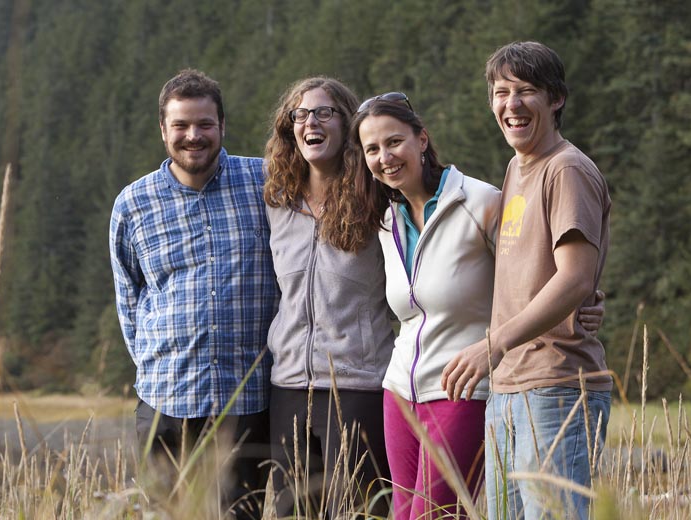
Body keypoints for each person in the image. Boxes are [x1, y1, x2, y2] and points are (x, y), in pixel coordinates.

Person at [348, 93, 605, 520]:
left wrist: (588, 297)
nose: (385, 157)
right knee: (403, 512)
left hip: (464, 387)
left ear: (422, 139)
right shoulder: (386, 218)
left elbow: (539, 265)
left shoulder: (480, 202)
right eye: (372, 149)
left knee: (437, 514)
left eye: (394, 142)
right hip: (399, 391)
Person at [442, 41, 612, 520]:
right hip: (511, 386)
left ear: (555, 99)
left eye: (526, 91)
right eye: (501, 92)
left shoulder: (567, 168)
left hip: (557, 385)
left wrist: (490, 344)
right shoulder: (519, 167)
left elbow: (575, 278)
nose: (511, 104)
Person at [109, 69, 278, 519]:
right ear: (163, 130)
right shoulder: (133, 203)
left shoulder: (264, 183)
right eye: (181, 125)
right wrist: (154, 365)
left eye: (204, 124)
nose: (193, 136)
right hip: (164, 405)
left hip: (245, 404)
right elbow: (130, 300)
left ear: (222, 125)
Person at [262, 77, 393, 517]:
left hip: (359, 387)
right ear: (290, 128)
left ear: (346, 124)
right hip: (288, 390)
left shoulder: (378, 198)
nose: (310, 122)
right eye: (300, 114)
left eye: (323, 112)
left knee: (358, 511)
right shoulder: (277, 202)